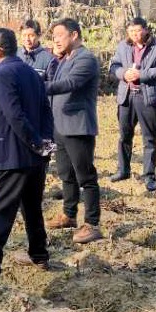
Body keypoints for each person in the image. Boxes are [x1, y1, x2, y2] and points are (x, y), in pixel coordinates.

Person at [0, 28, 53, 283]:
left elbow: (15, 115)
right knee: (32, 207)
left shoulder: (4, 74)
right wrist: (45, 144)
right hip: (34, 156)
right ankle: (39, 255)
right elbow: (46, 112)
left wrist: (36, 142)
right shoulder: (30, 72)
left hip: (12, 155)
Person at [44, 18, 103, 244]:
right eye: (53, 37)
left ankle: (92, 224)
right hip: (60, 126)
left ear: (74, 35)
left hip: (78, 127)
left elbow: (69, 84)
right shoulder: (63, 59)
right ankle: (69, 215)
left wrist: (38, 87)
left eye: (59, 35)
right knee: (66, 175)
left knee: (85, 177)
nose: (56, 40)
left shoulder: (85, 59)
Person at [109, 17, 156, 192]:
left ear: (145, 29)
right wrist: (123, 74)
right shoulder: (123, 46)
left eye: (138, 31)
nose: (135, 34)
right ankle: (123, 170)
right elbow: (113, 66)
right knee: (124, 135)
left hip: (147, 97)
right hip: (126, 96)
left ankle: (149, 176)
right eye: (131, 31)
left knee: (149, 138)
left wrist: (141, 74)